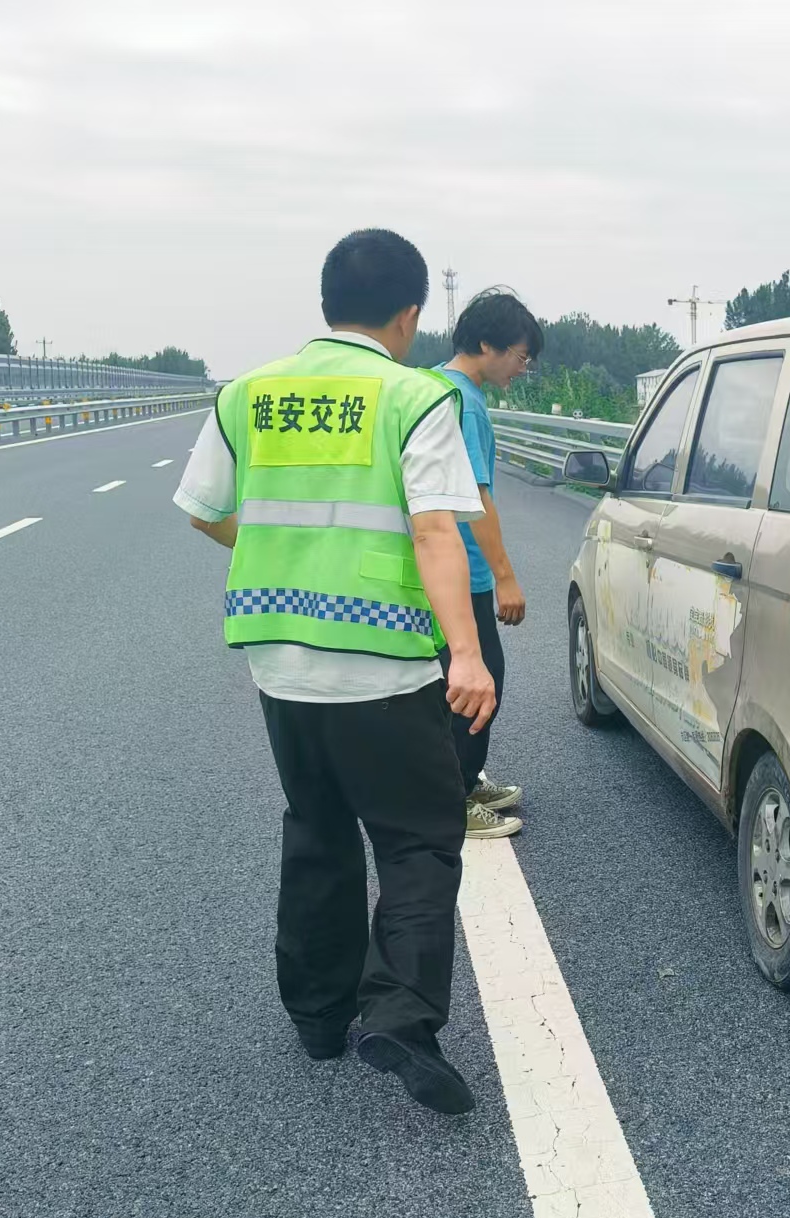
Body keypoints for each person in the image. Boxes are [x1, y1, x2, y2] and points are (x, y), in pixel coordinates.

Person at [173, 228, 494, 1116]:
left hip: (277, 661)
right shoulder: (412, 396)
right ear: (409, 313)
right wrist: (465, 653)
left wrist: (286, 551)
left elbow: (205, 513)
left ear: (325, 304)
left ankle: (318, 1015)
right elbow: (436, 531)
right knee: (420, 835)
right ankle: (398, 1011)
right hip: (384, 664)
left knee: (315, 825)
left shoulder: (250, 393)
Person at [431, 288, 544, 839]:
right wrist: (505, 577)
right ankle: (452, 798)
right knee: (479, 678)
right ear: (486, 344)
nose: (523, 368)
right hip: (462, 565)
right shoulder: (464, 402)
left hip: (435, 561)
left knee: (457, 679)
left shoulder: (434, 386)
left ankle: (466, 780)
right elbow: (476, 496)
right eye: (520, 356)